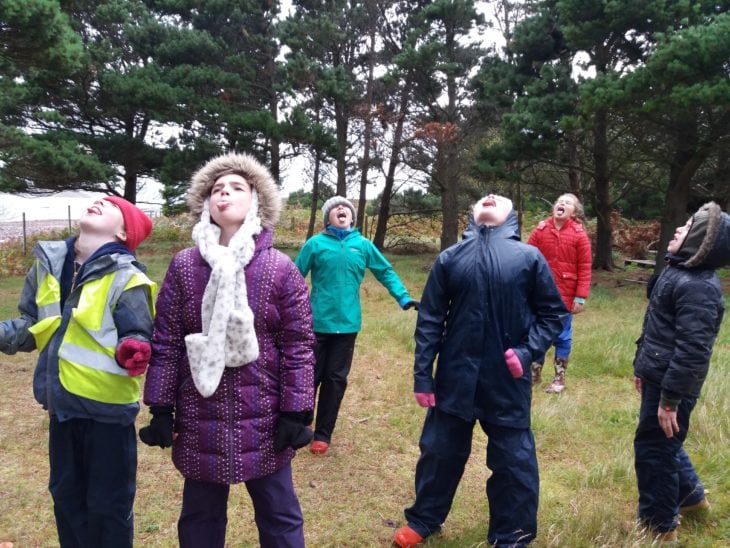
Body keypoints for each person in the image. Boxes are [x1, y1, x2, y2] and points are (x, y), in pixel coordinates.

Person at [140, 153, 315, 548]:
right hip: (200, 411)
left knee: (279, 514)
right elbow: (166, 340)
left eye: (237, 187)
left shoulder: (279, 267)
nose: (225, 193)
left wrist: (295, 410)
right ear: (206, 204)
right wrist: (161, 407)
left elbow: (298, 344)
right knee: (200, 517)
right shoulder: (184, 266)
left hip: (266, 415)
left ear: (256, 201)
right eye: (217, 189)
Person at [394, 194, 567, 548]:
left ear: (511, 217)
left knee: (513, 462)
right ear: (473, 215)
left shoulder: (528, 258)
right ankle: (425, 518)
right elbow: (429, 320)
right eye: (480, 199)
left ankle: (512, 535)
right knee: (439, 453)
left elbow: (552, 315)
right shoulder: (450, 258)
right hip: (455, 378)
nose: (488, 197)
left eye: (498, 198)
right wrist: (423, 376)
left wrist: (527, 351)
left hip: (506, 380)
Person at [0, 197, 155, 547]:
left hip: (108, 415)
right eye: (98, 199)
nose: (98, 202)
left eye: (111, 205)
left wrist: (135, 346)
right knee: (66, 498)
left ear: (122, 231)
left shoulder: (128, 278)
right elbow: (30, 325)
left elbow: (138, 332)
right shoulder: (47, 266)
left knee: (108, 506)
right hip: (63, 409)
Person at [632, 201, 729, 543]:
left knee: (654, 451)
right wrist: (641, 365)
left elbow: (692, 351)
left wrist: (670, 399)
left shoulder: (699, 289)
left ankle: (659, 526)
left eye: (687, 227)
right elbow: (658, 327)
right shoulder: (677, 272)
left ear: (701, 242)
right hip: (659, 375)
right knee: (665, 441)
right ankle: (691, 499)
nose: (677, 229)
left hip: (673, 386)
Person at [294, 195, 418, 455]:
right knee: (310, 375)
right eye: (335, 207)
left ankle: (323, 434)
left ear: (352, 217)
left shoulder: (362, 245)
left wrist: (403, 297)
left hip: (348, 324)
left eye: (346, 208)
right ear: (327, 217)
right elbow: (294, 278)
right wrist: (286, 310)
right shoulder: (315, 244)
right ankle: (302, 421)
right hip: (315, 323)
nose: (341, 209)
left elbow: (385, 271)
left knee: (335, 379)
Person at [527, 193, 592, 393]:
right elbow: (526, 258)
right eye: (559, 201)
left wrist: (580, 297)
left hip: (565, 295)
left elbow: (585, 267)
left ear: (574, 212)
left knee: (562, 336)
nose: (562, 203)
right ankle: (533, 373)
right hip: (538, 294)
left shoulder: (579, 235)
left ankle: (559, 378)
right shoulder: (540, 230)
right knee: (536, 333)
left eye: (568, 202)